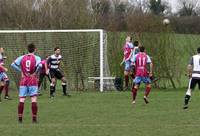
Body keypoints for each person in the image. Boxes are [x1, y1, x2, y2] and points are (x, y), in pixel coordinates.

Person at [11, 43, 41, 123]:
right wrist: (35, 72)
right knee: (33, 99)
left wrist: (21, 71)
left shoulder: (22, 57)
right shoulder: (37, 57)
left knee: (22, 99)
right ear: (35, 49)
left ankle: (20, 119)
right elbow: (40, 66)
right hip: (32, 80)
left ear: (28, 49)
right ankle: (34, 119)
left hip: (24, 80)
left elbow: (12, 64)